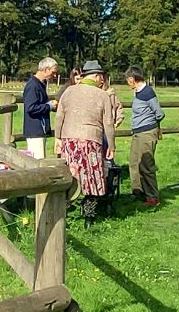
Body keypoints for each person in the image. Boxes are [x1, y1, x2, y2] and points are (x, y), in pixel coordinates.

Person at [54, 60, 121, 214]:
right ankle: (89, 214)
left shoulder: (69, 91)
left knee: (70, 175)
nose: (102, 80)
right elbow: (108, 122)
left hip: (69, 140)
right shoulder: (102, 95)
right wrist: (111, 145)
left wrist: (58, 138)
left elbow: (59, 117)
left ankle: (62, 210)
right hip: (91, 141)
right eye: (101, 77)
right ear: (96, 76)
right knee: (92, 177)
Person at [125, 66, 164, 205]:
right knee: (134, 162)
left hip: (146, 133)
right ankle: (138, 191)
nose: (127, 83)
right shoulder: (137, 92)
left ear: (132, 79)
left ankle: (152, 196)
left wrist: (153, 126)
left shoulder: (148, 92)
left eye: (127, 80)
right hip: (137, 132)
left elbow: (159, 113)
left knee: (146, 165)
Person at [21, 57, 59, 156]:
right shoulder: (33, 86)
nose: (54, 76)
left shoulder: (40, 84)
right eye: (53, 72)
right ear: (46, 70)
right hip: (35, 132)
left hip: (39, 131)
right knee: (38, 164)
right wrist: (49, 106)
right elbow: (30, 108)